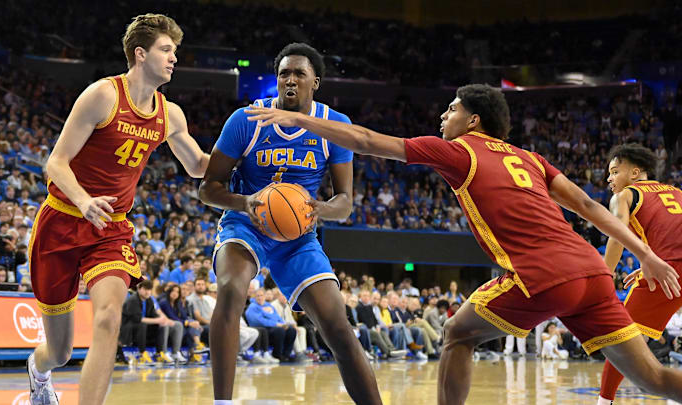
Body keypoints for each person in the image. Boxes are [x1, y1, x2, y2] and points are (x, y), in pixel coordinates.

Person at [245, 83, 682, 404]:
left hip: (544, 274)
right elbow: (589, 205)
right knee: (655, 378)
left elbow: (365, 140)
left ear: (473, 120)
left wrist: (300, 119)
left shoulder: (459, 152)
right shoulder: (529, 158)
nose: (442, 116)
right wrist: (646, 255)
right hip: (593, 273)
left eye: (451, 109)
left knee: (456, 335)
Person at [25, 14, 210, 405]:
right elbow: (56, 162)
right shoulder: (102, 95)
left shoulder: (170, 114)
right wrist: (83, 200)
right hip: (61, 220)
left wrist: (246, 154)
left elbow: (197, 166)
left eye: (175, 51)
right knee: (59, 352)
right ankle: (39, 370)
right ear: (140, 55)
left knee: (109, 318)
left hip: (110, 229)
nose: (174, 58)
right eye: (166, 50)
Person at [198, 42, 381, 404]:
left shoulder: (335, 125)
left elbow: (344, 203)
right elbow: (208, 188)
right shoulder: (246, 119)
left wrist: (319, 209)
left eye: (300, 73)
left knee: (338, 326)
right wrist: (245, 202)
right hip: (245, 224)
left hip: (298, 234)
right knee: (232, 289)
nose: (291, 80)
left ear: (316, 82)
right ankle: (222, 402)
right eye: (284, 74)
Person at [598, 143, 682, 404]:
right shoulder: (676, 191)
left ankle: (604, 402)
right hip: (670, 266)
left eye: (614, 171)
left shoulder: (624, 196)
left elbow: (616, 236)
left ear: (635, 173)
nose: (609, 178)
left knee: (619, 340)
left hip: (670, 273)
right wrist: (646, 270)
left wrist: (603, 277)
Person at [120, 280, 185, 365]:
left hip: (143, 328)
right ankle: (142, 353)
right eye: (145, 289)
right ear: (139, 289)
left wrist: (163, 321)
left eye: (149, 290)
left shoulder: (149, 300)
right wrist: (158, 320)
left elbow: (154, 314)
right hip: (129, 330)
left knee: (163, 325)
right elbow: (138, 319)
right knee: (142, 324)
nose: (148, 292)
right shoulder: (133, 300)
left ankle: (161, 353)